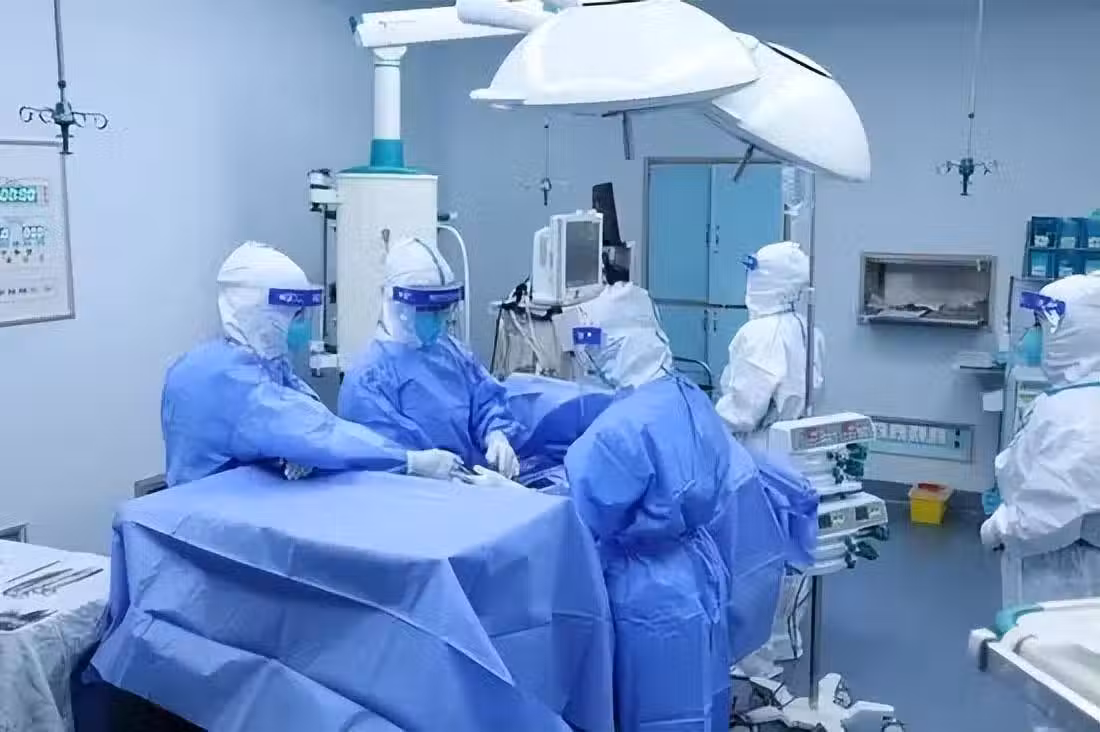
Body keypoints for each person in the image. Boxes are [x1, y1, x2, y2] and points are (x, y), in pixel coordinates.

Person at [564, 283, 784, 732]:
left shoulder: (618, 431)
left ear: (616, 346)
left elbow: (583, 517)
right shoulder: (688, 396)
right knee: (699, 698)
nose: (590, 359)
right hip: (697, 576)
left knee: (650, 707)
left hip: (642, 595)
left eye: (595, 347)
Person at [161, 241, 461, 487]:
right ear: (262, 315)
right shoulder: (229, 380)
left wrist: (288, 449)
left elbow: (303, 412)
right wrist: (411, 460)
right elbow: (320, 432)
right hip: (210, 519)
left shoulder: (249, 362)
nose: (304, 325)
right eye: (297, 315)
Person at [982, 274, 1100, 732]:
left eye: (1040, 326)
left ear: (1070, 334)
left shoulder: (1079, 416)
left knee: (1060, 693)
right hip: (1072, 564)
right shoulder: (1074, 399)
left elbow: (1045, 517)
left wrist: (998, 527)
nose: (1032, 337)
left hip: (1067, 573)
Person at [338, 237, 523, 478]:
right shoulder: (367, 380)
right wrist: (421, 467)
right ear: (400, 307)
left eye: (444, 310)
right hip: (413, 496)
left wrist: (496, 436)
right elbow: (383, 458)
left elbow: (486, 401)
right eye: (430, 311)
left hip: (469, 484)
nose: (440, 319)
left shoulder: (452, 352)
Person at [715, 241, 823, 452]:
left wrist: (710, 426)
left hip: (759, 447)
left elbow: (744, 410)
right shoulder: (808, 328)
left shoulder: (759, 333)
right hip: (797, 441)